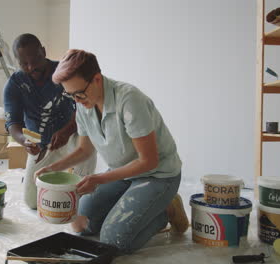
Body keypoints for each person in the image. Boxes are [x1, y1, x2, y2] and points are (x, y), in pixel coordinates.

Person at [36, 49, 189, 254]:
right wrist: (52, 168)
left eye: (79, 93)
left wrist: (99, 179)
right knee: (80, 224)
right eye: (70, 95)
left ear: (97, 79)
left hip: (157, 175)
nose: (77, 100)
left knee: (114, 241)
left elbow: (148, 161)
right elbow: (84, 149)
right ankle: (133, 206)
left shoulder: (129, 100)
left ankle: (166, 211)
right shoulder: (83, 103)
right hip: (122, 171)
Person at [3, 34, 96, 209]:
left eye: (35, 60)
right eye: (24, 64)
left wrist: (67, 130)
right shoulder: (14, 84)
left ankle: (82, 198)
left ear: (43, 52)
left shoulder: (64, 72)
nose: (31, 67)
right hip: (41, 145)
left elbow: (83, 106)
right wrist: (24, 141)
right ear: (18, 62)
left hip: (72, 137)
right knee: (32, 202)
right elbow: (12, 123)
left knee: (86, 148)